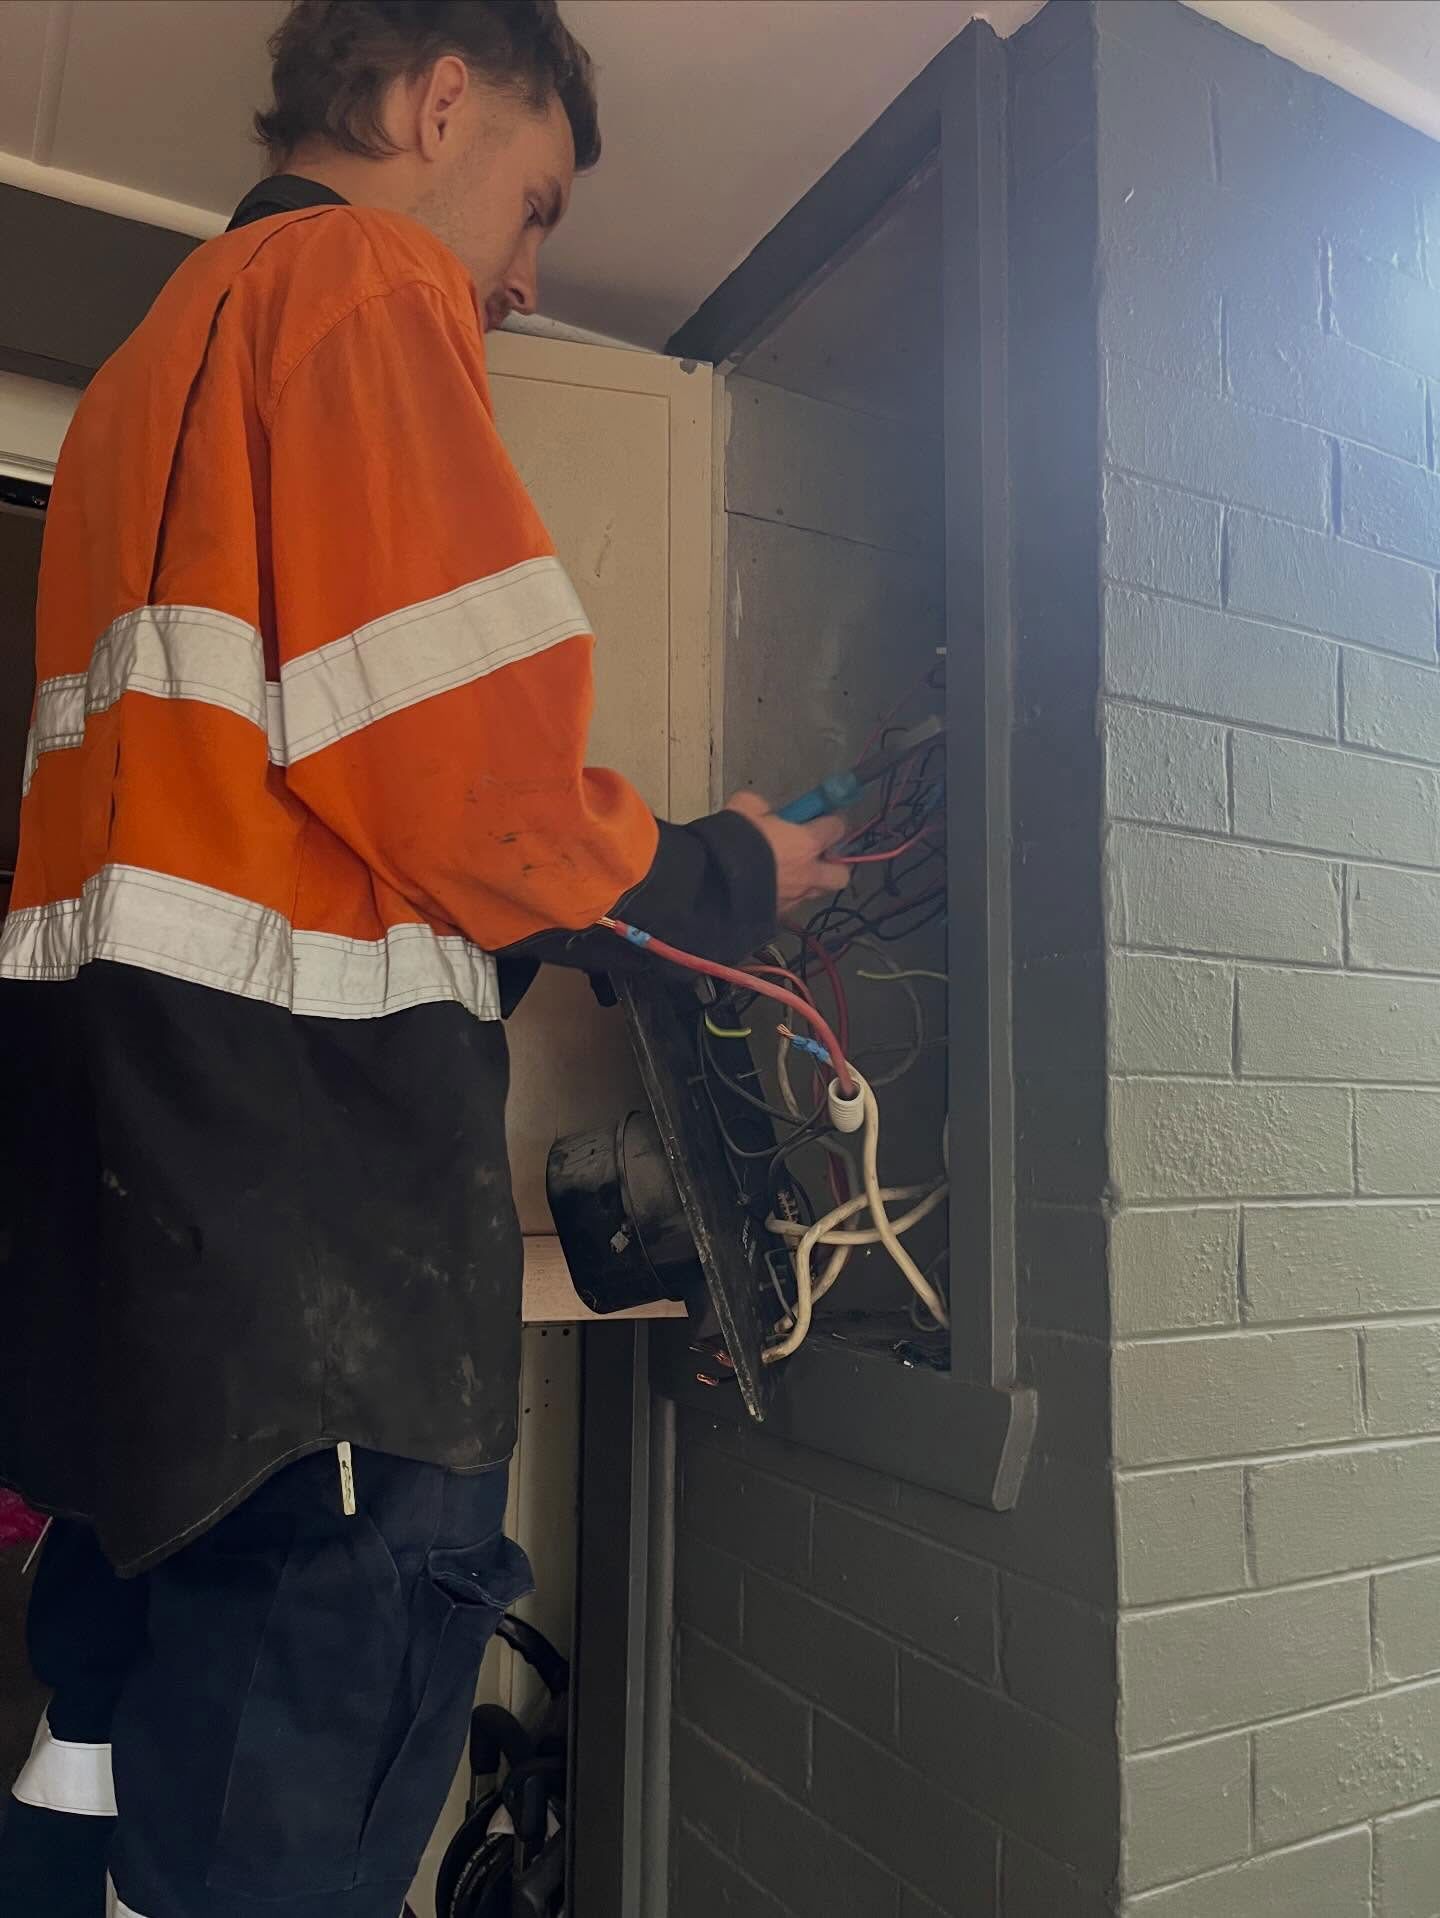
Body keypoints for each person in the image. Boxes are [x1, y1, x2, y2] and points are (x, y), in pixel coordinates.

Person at [0, 4, 847, 1914]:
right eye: (534, 206)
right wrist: (735, 875)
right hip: (328, 1317)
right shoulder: (366, 288)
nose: (528, 277)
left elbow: (282, 808)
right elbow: (486, 803)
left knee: (96, 1770)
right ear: (434, 99)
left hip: (136, 1288)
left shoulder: (147, 369)